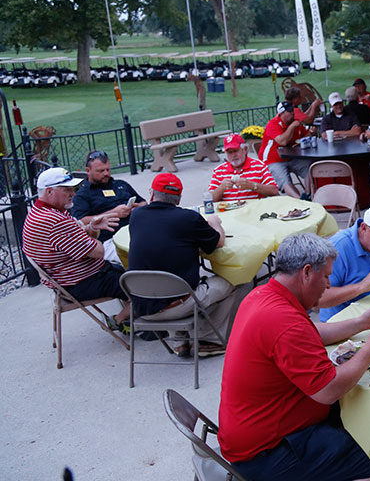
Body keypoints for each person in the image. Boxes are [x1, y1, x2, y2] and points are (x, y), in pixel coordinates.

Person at [218, 233, 370, 481]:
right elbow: (328, 390)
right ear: (306, 273)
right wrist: (369, 350)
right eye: (325, 277)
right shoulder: (284, 321)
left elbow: (311, 332)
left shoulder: (264, 295)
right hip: (264, 450)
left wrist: (361, 324)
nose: (328, 286)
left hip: (252, 428)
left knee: (356, 415)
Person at [127, 173, 239, 357]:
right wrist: (215, 223)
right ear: (178, 199)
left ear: (152, 195)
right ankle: (207, 340)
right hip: (176, 305)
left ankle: (180, 343)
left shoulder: (136, 216)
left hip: (142, 307)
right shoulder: (188, 218)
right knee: (231, 283)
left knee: (163, 273)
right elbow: (217, 242)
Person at [22, 167, 129, 327]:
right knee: (143, 285)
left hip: (68, 277)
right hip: (80, 282)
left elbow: (79, 238)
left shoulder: (41, 212)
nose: (73, 193)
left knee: (130, 273)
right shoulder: (55, 221)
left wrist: (91, 228)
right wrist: (90, 233)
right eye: (67, 190)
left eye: (73, 188)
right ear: (50, 192)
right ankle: (120, 322)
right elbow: (100, 252)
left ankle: (132, 318)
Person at [70, 150, 145, 262]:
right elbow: (80, 221)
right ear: (88, 171)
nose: (106, 173)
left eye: (108, 169)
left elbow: (144, 202)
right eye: (100, 171)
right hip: (110, 240)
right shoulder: (82, 195)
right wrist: (114, 213)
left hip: (137, 232)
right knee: (141, 258)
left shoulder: (120, 184)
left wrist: (137, 208)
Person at [260, 102, 312, 198]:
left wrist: (303, 138)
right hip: (273, 160)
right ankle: (299, 199)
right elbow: (282, 141)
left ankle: (307, 194)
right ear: (281, 114)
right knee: (284, 179)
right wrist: (292, 127)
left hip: (292, 157)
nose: (292, 113)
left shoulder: (296, 122)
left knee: (310, 166)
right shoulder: (273, 124)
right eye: (289, 111)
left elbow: (308, 135)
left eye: (292, 110)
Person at [209, 134, 278, 203]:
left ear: (245, 150)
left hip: (255, 209)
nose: (233, 155)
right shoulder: (218, 171)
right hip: (228, 212)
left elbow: (274, 191)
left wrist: (252, 185)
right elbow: (210, 200)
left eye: (235, 151)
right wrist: (221, 188)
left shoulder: (259, 166)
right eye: (230, 152)